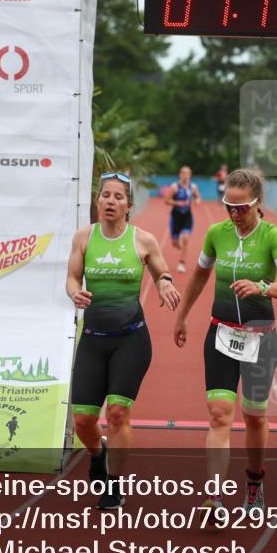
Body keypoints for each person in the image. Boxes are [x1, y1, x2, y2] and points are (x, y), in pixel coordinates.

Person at [173, 168, 277, 514]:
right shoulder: (217, 233)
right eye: (229, 205)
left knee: (254, 415)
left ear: (258, 204)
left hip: (261, 338)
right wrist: (182, 316)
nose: (234, 213)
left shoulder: (274, 237)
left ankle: (255, 482)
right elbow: (199, 274)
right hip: (222, 333)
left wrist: (263, 286)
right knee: (219, 414)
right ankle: (215, 496)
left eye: (241, 207)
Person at [66, 171, 180, 509]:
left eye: (118, 197)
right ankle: (97, 453)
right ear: (98, 201)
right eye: (106, 196)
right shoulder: (84, 238)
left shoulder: (142, 240)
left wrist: (165, 283)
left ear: (129, 206)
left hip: (131, 339)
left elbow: (162, 271)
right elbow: (72, 277)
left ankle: (114, 484)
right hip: (93, 338)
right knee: (83, 420)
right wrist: (76, 293)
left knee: (117, 413)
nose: (110, 202)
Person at [165, 165, 201, 273]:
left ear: (190, 175)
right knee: (175, 244)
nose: (186, 175)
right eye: (183, 173)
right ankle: (178, 243)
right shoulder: (174, 187)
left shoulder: (193, 187)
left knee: (185, 239)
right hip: (176, 217)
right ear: (180, 174)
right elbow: (166, 200)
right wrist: (177, 203)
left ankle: (181, 263)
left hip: (187, 216)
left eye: (188, 173)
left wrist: (197, 200)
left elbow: (197, 196)